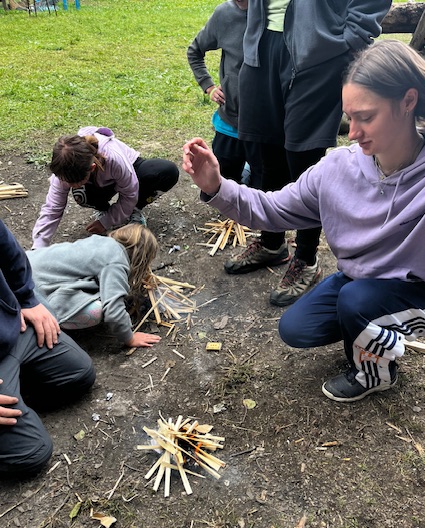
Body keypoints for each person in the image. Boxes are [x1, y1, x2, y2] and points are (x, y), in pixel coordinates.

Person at [182, 39, 425, 402]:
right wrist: (216, 186)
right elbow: (273, 209)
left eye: (366, 117)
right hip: (367, 279)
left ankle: (374, 374)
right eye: (350, 117)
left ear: (408, 101)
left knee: (356, 302)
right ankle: (373, 326)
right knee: (297, 328)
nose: (352, 132)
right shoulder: (338, 168)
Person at [225, 0, 392, 307]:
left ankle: (306, 257)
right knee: (266, 152)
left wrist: (348, 38)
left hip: (318, 52)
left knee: (303, 158)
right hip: (261, 46)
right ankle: (272, 242)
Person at [0, 219, 95, 478]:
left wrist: (26, 298)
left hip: (12, 329)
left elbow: (7, 248)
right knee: (32, 453)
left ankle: (15, 394)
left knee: (80, 374)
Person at [32, 126, 179, 249]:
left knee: (167, 171)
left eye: (74, 183)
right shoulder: (64, 170)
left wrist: (106, 222)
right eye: (67, 183)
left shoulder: (115, 159)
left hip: (131, 171)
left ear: (92, 168)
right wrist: (38, 246)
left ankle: (134, 209)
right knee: (81, 195)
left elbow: (130, 194)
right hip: (99, 180)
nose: (70, 187)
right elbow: (53, 208)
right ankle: (103, 208)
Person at [27, 225, 161, 349]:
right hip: (34, 289)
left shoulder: (100, 241)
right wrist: (129, 338)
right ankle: (52, 324)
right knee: (96, 310)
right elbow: (113, 310)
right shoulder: (116, 261)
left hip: (25, 265)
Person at [187, 0, 262, 188]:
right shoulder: (224, 14)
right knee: (221, 186)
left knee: (262, 189)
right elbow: (195, 51)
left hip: (264, 129)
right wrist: (209, 86)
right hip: (229, 123)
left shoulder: (275, 14)